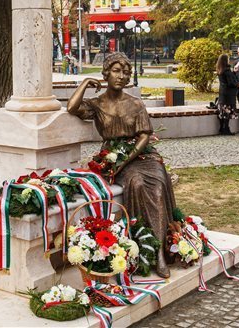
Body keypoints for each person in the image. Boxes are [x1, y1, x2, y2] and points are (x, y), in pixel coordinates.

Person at [67, 52, 176, 278]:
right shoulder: (97, 104)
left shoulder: (135, 103)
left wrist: (125, 160)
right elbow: (72, 108)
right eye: (116, 71)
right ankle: (142, 244)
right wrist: (85, 83)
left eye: (126, 72)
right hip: (112, 157)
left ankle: (159, 254)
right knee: (136, 183)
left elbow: (144, 136)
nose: (121, 76)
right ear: (106, 74)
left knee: (156, 187)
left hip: (142, 156)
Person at [216, 53, 238, 136]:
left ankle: (221, 128)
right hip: (229, 94)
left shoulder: (220, 69)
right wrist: (237, 83)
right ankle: (226, 129)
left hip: (222, 93)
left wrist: (233, 73)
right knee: (227, 112)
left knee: (223, 111)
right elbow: (231, 83)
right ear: (226, 60)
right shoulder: (227, 71)